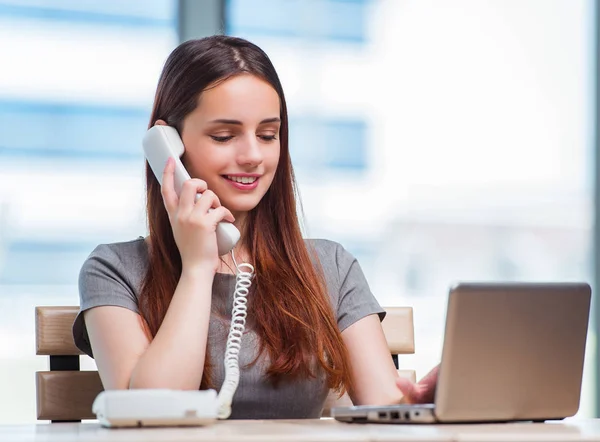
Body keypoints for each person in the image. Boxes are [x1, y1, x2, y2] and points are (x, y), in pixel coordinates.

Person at [72, 35, 437, 419]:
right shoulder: (112, 269)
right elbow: (147, 413)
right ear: (168, 144)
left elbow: (387, 405)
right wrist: (198, 268)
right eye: (224, 136)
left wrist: (437, 397)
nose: (252, 156)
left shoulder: (331, 266)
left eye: (268, 135)